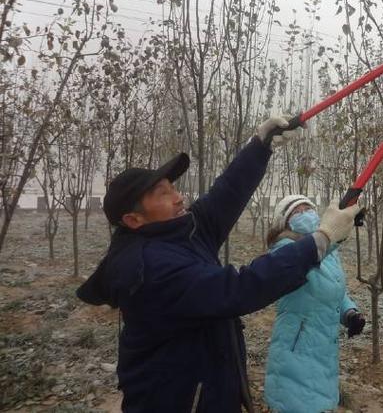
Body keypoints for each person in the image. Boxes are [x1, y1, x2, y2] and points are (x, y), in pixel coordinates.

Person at [76, 117, 361, 413]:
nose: (179, 197)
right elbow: (239, 288)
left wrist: (259, 147)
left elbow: (224, 197)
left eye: (172, 187)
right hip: (179, 401)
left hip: (208, 389)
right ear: (133, 220)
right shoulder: (148, 269)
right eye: (163, 194)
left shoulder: (176, 231)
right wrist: (322, 238)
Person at [263, 195, 366, 413]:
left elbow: (333, 287)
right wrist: (335, 235)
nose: (305, 215)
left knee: (319, 400)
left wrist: (350, 313)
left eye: (308, 209)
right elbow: (305, 260)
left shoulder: (324, 251)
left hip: (324, 348)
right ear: (285, 222)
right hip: (297, 348)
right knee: (298, 402)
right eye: (296, 212)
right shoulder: (284, 249)